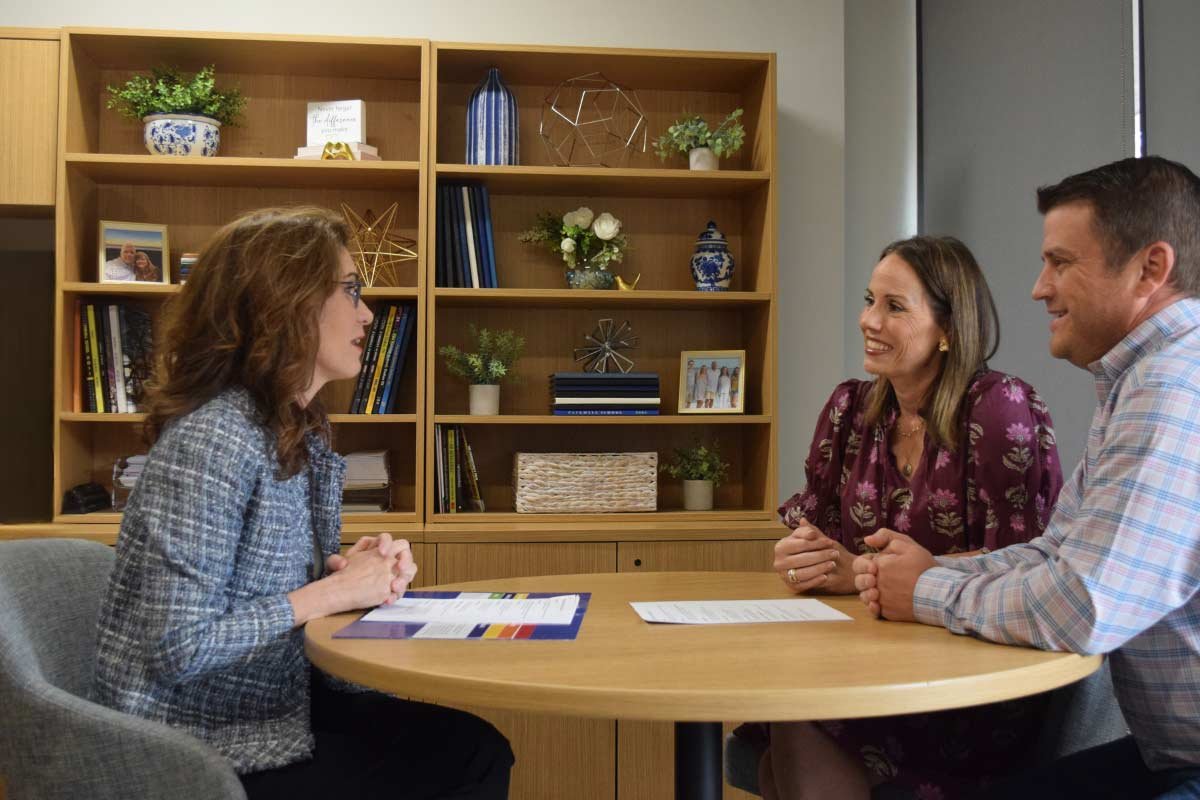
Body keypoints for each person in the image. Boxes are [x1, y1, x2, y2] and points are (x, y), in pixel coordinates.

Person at [94, 206, 514, 799]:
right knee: (465, 760)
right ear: (281, 304)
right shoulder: (213, 439)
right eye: (349, 291)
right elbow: (177, 647)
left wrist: (359, 570)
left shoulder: (293, 426)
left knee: (473, 747)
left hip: (274, 703)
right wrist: (334, 592)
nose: (367, 312)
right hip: (193, 742)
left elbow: (274, 592)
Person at [853, 156, 1200, 800]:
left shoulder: (1173, 388)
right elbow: (1056, 551)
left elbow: (1081, 606)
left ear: (1151, 268)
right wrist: (927, 575)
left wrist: (926, 593)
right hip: (1168, 753)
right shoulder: (1136, 381)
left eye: (1061, 262)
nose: (1040, 287)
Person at [751, 235, 1064, 800]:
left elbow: (1030, 561)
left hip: (968, 683)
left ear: (948, 328)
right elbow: (818, 537)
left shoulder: (998, 408)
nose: (870, 320)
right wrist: (803, 559)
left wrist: (861, 573)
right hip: (862, 659)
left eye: (895, 307)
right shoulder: (850, 409)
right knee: (783, 728)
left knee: (796, 721)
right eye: (870, 300)